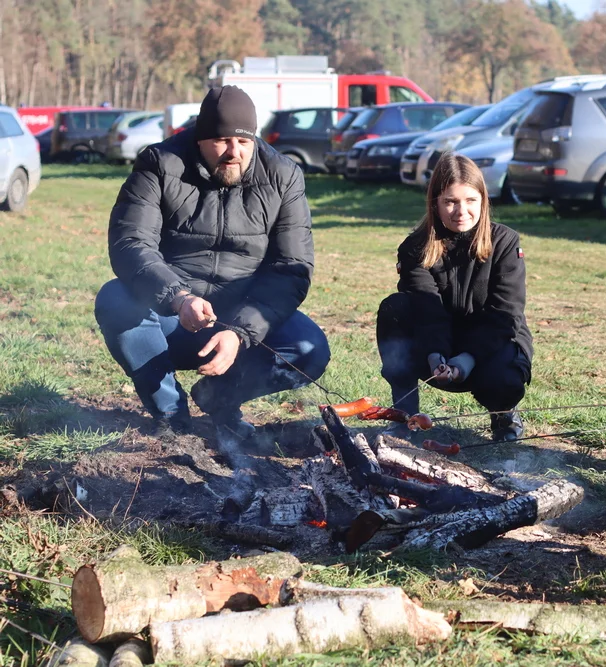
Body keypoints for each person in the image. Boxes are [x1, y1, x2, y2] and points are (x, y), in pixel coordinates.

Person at [94, 86, 331, 451]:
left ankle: (219, 399)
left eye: (244, 141)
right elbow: (130, 243)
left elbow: (292, 267)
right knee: (114, 299)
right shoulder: (160, 163)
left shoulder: (283, 176)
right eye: (222, 140)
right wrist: (177, 297)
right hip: (170, 314)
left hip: (242, 311)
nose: (234, 153)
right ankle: (172, 417)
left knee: (309, 348)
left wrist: (240, 331)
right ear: (200, 138)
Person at [376, 153, 532, 442]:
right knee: (394, 308)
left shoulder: (506, 242)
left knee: (504, 380)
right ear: (435, 202)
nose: (461, 211)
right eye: (450, 201)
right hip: (437, 346)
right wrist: (437, 354)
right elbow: (426, 308)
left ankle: (504, 414)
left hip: (491, 343)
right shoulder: (415, 247)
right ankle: (404, 416)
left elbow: (505, 313)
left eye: (470, 200)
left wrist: (467, 360)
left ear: (483, 201)